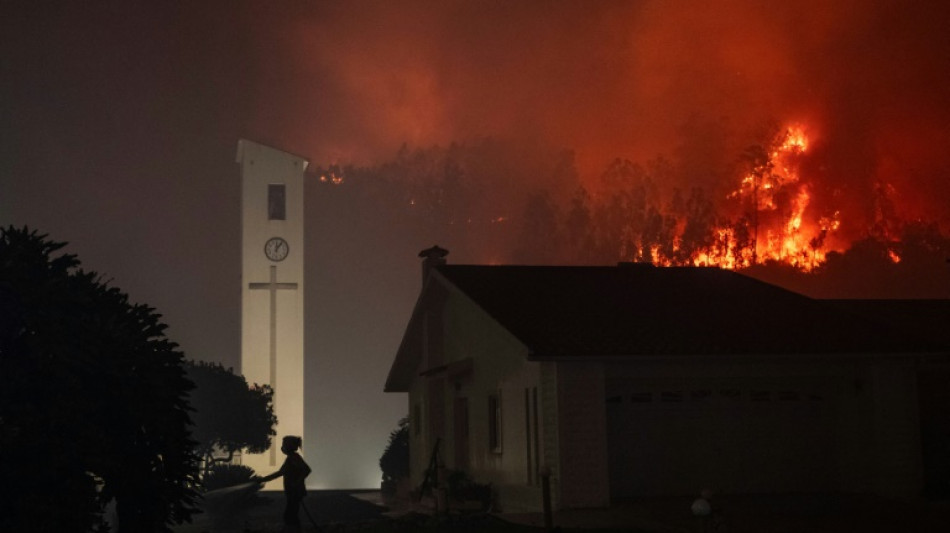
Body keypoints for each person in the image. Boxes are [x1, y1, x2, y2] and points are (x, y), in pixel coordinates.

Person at [255, 436, 312, 530]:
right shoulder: (291, 458)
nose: (282, 447)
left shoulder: (294, 458)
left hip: (295, 492)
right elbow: (280, 473)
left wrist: (296, 483)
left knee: (290, 515)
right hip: (292, 492)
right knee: (292, 515)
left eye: (284, 444)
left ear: (289, 446)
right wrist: (263, 479)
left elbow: (307, 470)